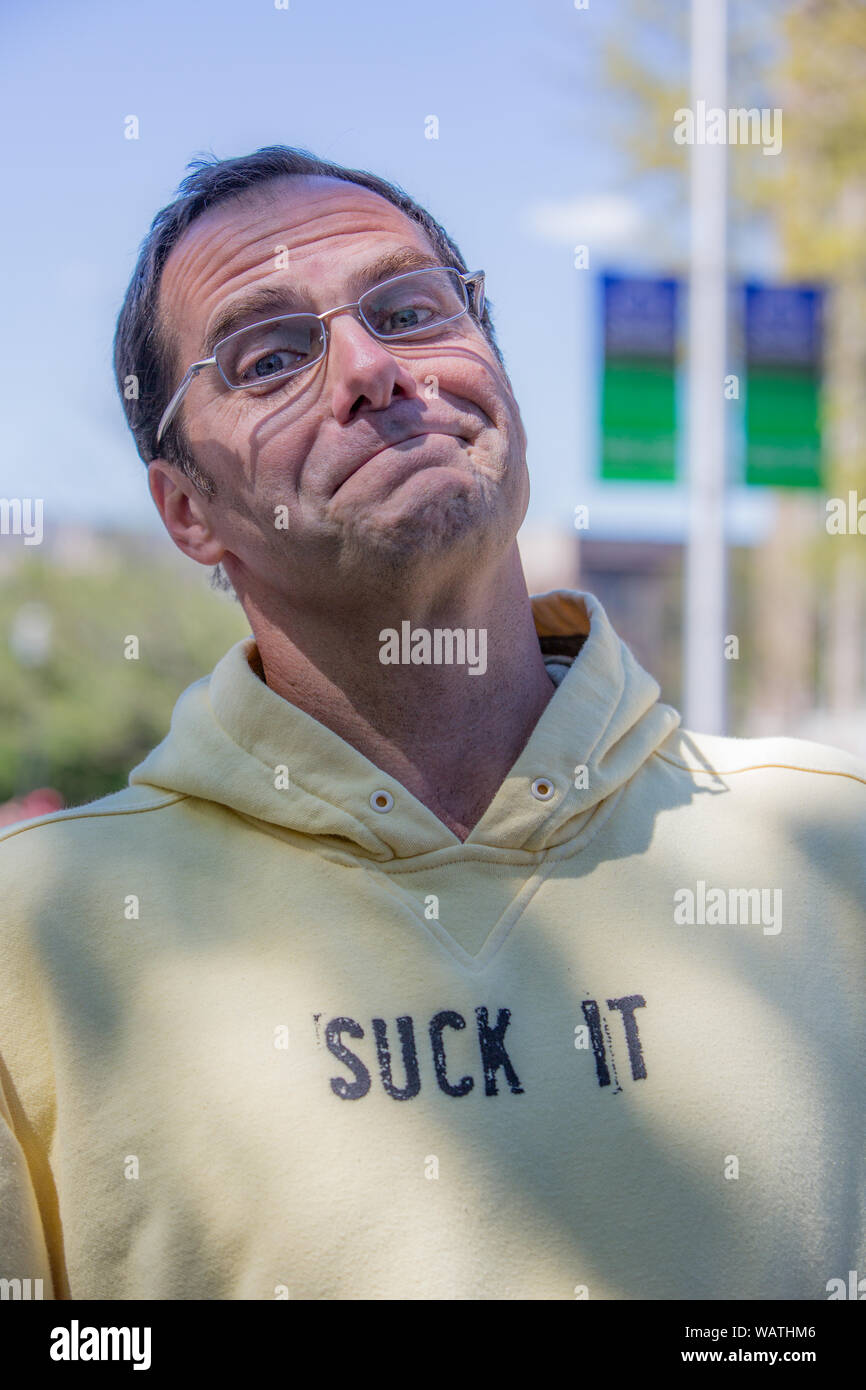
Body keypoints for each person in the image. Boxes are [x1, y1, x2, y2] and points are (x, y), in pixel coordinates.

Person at [1, 146, 863, 1302]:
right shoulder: (31, 951)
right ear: (187, 512)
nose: (369, 367)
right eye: (268, 358)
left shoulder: (830, 844)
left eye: (411, 309)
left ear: (494, 365)